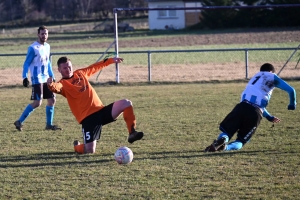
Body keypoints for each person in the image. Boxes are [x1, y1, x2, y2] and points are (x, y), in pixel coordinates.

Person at [47, 56, 144, 154]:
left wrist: (110, 61)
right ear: (59, 70)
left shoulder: (80, 73)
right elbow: (56, 87)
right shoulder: (62, 84)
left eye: (69, 67)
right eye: (65, 68)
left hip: (101, 111)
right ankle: (77, 147)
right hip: (88, 119)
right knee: (90, 150)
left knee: (126, 103)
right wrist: (51, 85)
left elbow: (94, 67)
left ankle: (132, 132)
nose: (68, 69)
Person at [204, 63, 296, 152]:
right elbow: (291, 90)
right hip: (255, 112)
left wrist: (269, 117)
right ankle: (225, 148)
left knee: (227, 132)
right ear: (271, 71)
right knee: (241, 140)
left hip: (241, 106)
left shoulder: (255, 78)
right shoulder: (272, 76)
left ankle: (223, 139)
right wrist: (292, 103)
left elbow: (251, 103)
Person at [14, 25, 61, 131]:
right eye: (42, 33)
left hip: (46, 78)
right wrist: (24, 77)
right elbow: (26, 63)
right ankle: (19, 121)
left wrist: (52, 75)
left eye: (46, 33)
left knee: (52, 100)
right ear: (38, 34)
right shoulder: (33, 48)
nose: (44, 35)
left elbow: (48, 62)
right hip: (37, 78)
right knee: (37, 103)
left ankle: (49, 125)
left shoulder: (47, 46)